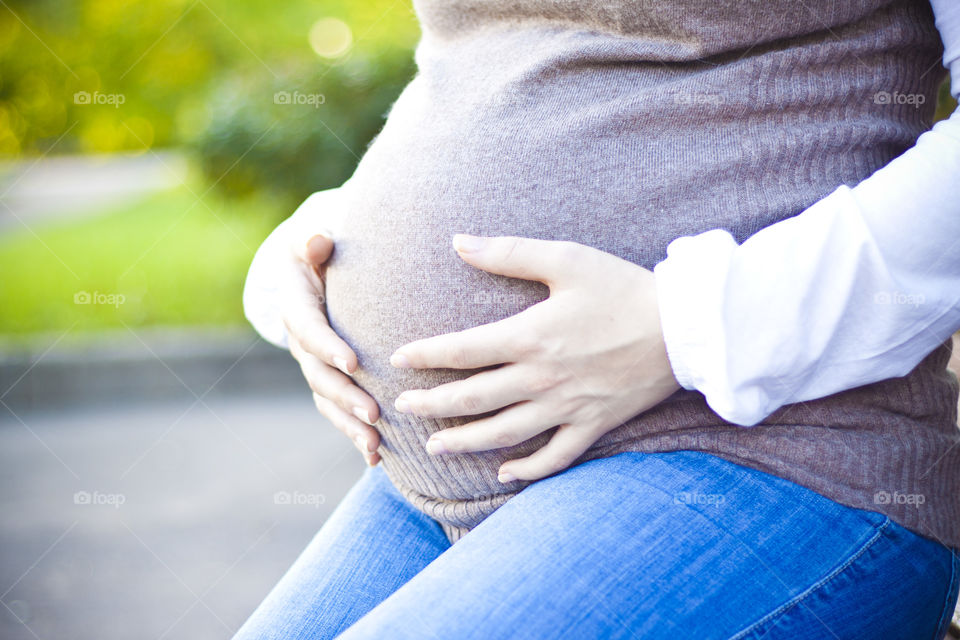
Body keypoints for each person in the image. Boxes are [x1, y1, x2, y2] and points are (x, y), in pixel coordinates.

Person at [236, 1, 960, 637]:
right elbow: (497, 62)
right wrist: (314, 248)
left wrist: (686, 328)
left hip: (771, 454)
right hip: (436, 479)